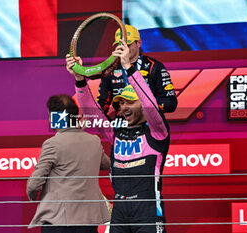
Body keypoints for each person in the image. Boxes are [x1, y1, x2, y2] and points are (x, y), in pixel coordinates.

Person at [66, 38, 170, 233]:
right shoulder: (116, 132)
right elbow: (92, 113)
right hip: (120, 211)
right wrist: (79, 79)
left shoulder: (157, 131)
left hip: (148, 210)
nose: (123, 107)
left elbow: (150, 104)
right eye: (121, 103)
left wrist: (129, 69)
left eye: (129, 102)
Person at [26, 94, 111, 233]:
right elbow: (106, 164)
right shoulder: (94, 141)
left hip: (58, 220)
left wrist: (32, 195)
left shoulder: (52, 144)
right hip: (88, 219)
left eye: (49, 116)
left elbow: (34, 183)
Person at [97, 24, 177, 117]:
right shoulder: (111, 69)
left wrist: (144, 108)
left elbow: (170, 103)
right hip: (122, 125)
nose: (124, 49)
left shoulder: (154, 66)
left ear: (139, 43)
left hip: (149, 123)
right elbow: (101, 105)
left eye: (128, 44)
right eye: (120, 45)